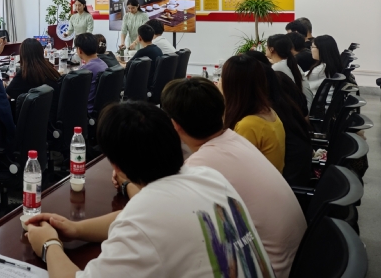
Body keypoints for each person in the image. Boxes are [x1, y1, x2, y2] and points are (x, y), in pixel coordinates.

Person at [25, 102, 274, 278]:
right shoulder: (209, 177)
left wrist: (49, 245)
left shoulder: (148, 214)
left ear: (116, 166)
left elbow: (141, 220)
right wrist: (76, 229)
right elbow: (132, 217)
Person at [161, 78, 305, 278]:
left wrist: (127, 183)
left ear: (174, 125)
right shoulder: (235, 139)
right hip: (300, 260)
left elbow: (158, 212)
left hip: (270, 269)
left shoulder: (201, 165)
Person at [219, 55, 286, 171]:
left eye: (222, 77)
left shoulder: (248, 125)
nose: (219, 82)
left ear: (231, 85)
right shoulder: (268, 112)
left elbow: (232, 169)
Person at [5, 38, 62, 107]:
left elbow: (7, 95)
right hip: (52, 110)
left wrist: (1, 86)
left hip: (35, 112)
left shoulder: (24, 73)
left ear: (23, 55)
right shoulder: (49, 67)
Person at [266, 34, 312, 111]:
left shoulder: (277, 67)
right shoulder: (290, 62)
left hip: (299, 111)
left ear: (271, 49)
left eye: (266, 46)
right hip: (305, 107)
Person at [75, 33, 108, 114]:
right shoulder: (103, 64)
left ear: (79, 50)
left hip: (86, 111)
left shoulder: (85, 71)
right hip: (101, 110)